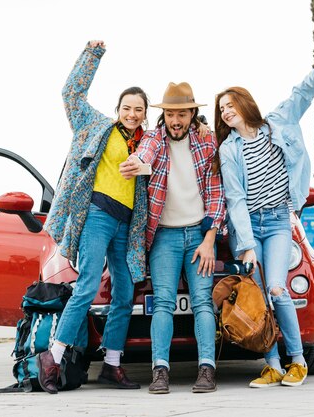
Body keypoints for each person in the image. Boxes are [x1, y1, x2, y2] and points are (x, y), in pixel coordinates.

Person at [36, 40, 149, 394]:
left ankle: (112, 365)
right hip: (98, 216)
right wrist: (92, 55)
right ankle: (52, 359)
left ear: (145, 114)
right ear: (117, 109)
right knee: (86, 286)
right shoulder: (96, 125)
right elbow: (71, 93)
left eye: (139, 109)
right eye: (127, 108)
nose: (132, 114)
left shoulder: (147, 142)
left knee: (125, 292)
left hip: (127, 226)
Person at [215, 62, 314, 388]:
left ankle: (296, 360)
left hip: (280, 220)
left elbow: (300, 97)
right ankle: (271, 366)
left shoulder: (277, 123)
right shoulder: (229, 150)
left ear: (245, 104)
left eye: (230, 105)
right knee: (259, 296)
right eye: (222, 109)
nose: (226, 112)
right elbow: (235, 199)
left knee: (277, 289)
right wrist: (248, 245)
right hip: (250, 227)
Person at [120, 82, 226, 394]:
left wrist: (209, 240)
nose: (175, 120)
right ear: (163, 115)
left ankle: (207, 369)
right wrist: (138, 164)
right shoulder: (155, 137)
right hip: (164, 236)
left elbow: (218, 196)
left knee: (204, 302)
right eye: (170, 114)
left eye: (182, 114)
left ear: (193, 114)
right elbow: (146, 153)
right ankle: (160, 371)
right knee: (163, 303)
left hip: (198, 235)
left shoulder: (207, 143)